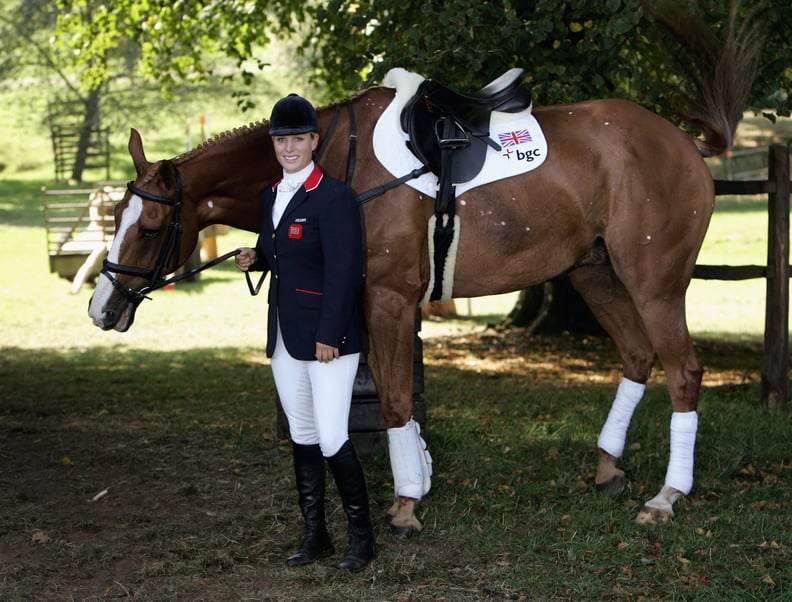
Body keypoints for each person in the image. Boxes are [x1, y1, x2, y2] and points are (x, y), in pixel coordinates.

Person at [235, 94, 375, 572]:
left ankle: (363, 537)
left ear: (314, 141)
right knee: (303, 434)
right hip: (284, 336)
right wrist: (256, 256)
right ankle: (316, 534)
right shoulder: (270, 197)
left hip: (326, 338)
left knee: (333, 437)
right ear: (273, 143)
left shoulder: (335, 197)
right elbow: (278, 249)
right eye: (281, 139)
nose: (289, 146)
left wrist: (330, 336)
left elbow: (345, 271)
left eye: (298, 138)